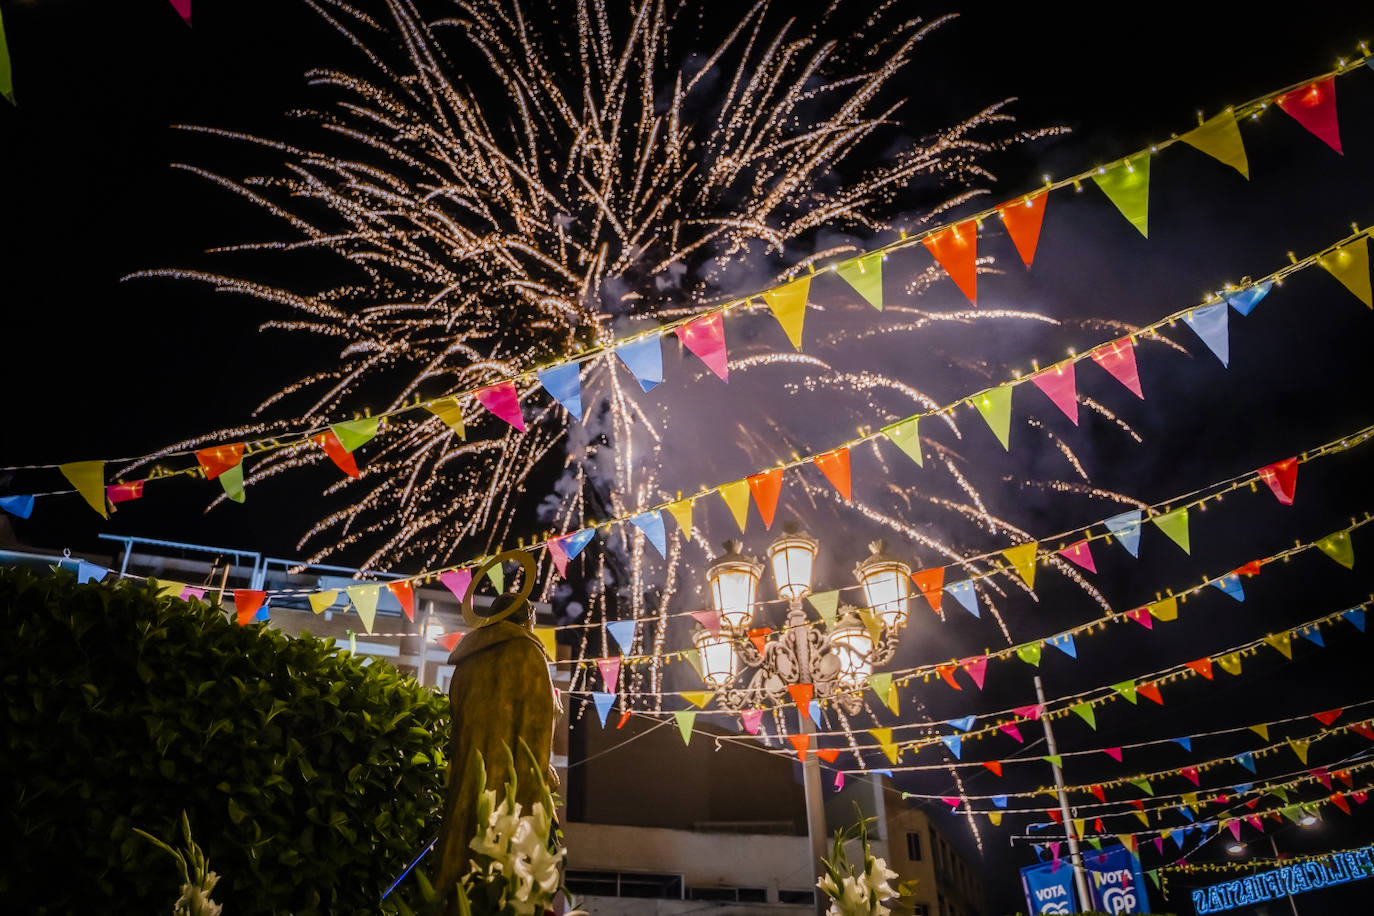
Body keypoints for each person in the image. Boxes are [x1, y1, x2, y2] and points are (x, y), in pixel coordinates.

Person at [432, 591, 557, 915]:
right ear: (526, 618)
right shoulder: (527, 654)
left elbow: (456, 724)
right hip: (510, 786)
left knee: (459, 855)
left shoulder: (467, 661)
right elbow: (537, 731)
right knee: (504, 876)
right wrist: (542, 779)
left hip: (467, 780)